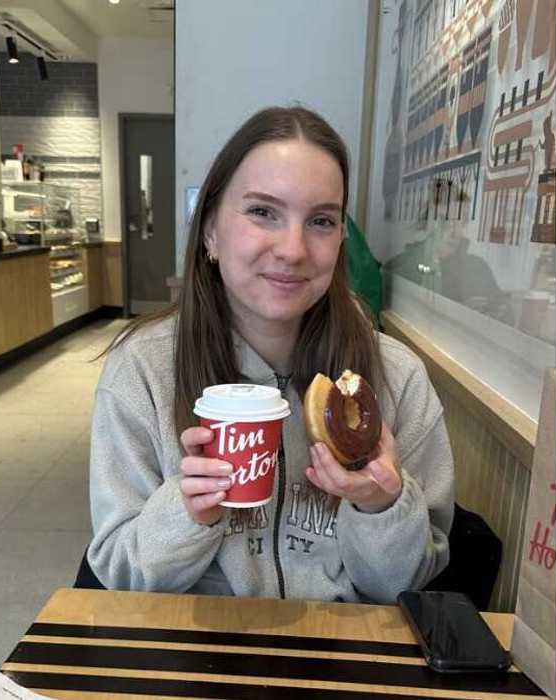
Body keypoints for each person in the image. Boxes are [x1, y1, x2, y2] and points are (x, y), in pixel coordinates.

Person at [87, 106, 454, 603]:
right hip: (193, 653)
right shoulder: (143, 371)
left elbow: (406, 589)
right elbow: (120, 578)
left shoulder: (397, 378)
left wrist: (381, 505)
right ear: (211, 229)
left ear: (342, 239)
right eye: (263, 212)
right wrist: (187, 512)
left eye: (321, 221)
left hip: (341, 656)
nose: (293, 249)